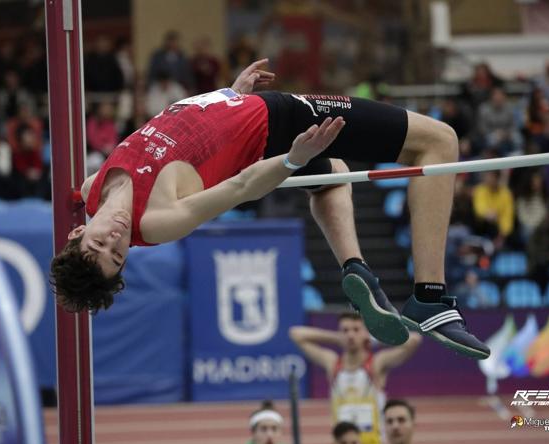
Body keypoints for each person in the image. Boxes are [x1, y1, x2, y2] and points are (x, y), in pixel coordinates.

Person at [50, 59, 490, 360]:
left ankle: (357, 267)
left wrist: (228, 94)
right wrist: (293, 158)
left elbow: (170, 123)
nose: (116, 239)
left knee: (332, 175)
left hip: (242, 114)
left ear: (77, 232)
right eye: (119, 256)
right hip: (277, 122)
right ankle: (430, 298)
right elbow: (241, 188)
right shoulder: (157, 221)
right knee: (439, 141)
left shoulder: (92, 187)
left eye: (99, 244)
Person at [290, 313, 422, 444]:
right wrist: (337, 338)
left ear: (365, 333)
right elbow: (296, 334)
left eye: (356, 330)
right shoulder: (333, 363)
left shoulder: (376, 363)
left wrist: (374, 339)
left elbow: (414, 340)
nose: (350, 335)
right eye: (345, 330)